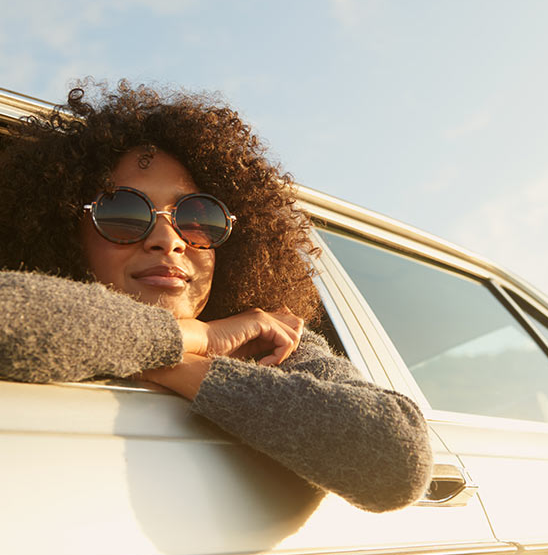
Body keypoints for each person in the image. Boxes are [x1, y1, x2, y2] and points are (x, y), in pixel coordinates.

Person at [0, 80, 432, 513]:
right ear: (66, 233)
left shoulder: (271, 342)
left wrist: (171, 364)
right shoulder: (223, 334)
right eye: (124, 212)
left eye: (196, 218)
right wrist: (198, 338)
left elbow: (397, 459)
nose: (169, 239)